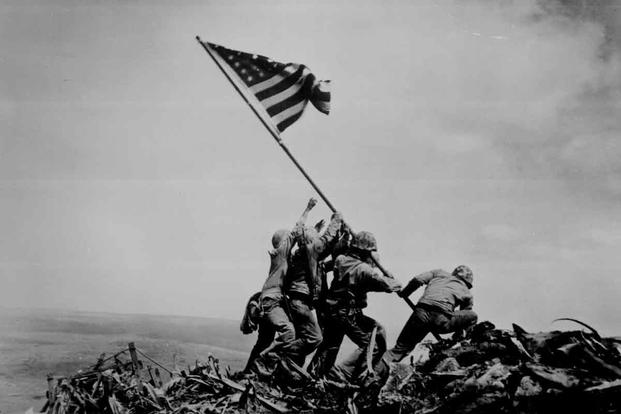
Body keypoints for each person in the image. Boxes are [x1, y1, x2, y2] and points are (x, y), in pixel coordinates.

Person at [308, 231, 402, 384]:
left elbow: (328, 266)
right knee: (375, 341)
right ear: (366, 251)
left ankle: (314, 377)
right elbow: (391, 286)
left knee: (330, 346)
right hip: (347, 313)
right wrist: (391, 278)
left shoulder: (340, 259)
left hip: (331, 310)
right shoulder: (365, 270)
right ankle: (344, 374)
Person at [251, 198, 317, 371]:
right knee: (289, 333)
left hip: (270, 300)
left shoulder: (283, 257)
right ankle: (266, 359)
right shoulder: (281, 253)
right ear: (283, 242)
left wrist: (315, 230)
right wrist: (308, 209)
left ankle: (249, 370)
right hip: (271, 301)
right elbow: (296, 231)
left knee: (264, 339)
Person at [283, 210, 344, 367]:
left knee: (302, 337)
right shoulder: (310, 251)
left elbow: (326, 250)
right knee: (314, 338)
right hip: (300, 303)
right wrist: (336, 220)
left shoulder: (301, 255)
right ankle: (277, 354)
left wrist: (342, 237)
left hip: (298, 303)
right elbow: (325, 241)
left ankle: (290, 371)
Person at [384, 265, 478, 363]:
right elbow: (464, 316)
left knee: (400, 349)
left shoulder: (438, 273)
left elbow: (418, 280)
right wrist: (458, 335)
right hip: (440, 320)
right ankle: (454, 342)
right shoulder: (467, 293)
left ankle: (374, 367)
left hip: (420, 314)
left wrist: (404, 293)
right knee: (473, 316)